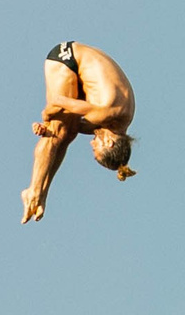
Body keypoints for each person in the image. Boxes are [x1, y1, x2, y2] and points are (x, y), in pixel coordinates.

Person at [22, 41, 137, 223]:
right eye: (95, 149)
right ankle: (33, 191)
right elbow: (57, 103)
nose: (92, 143)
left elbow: (77, 126)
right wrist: (46, 120)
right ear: (109, 143)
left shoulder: (120, 121)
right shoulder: (106, 112)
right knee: (59, 131)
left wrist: (45, 129)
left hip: (81, 67)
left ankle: (42, 193)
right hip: (67, 58)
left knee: (67, 133)